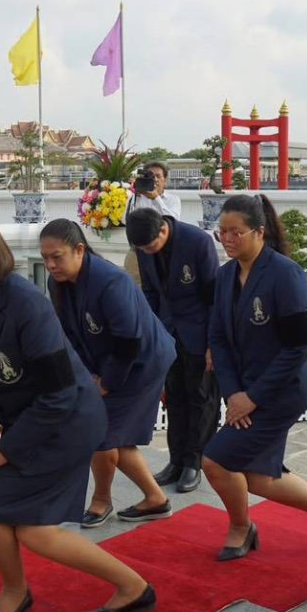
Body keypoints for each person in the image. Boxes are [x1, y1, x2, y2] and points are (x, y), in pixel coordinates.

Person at [0, 201, 156, 612]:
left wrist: (5, 449)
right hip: (30, 423)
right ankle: (17, 589)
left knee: (32, 530)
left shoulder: (25, 303)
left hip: (67, 424)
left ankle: (133, 587)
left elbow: (60, 394)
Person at [204, 194, 307, 560]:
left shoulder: (286, 274)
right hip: (243, 391)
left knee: (217, 461)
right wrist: (233, 392)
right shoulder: (225, 276)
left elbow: (298, 346)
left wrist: (251, 397)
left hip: (281, 391)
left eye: (236, 232)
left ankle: (241, 526)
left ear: (259, 232)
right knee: (260, 477)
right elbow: (218, 339)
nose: (227, 240)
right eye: (222, 232)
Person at [40, 218, 176, 528]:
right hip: (107, 362)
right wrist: (87, 376)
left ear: (79, 250)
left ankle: (101, 501)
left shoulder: (111, 281)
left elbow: (129, 341)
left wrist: (107, 382)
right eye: (45, 258)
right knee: (115, 436)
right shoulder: (57, 283)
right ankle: (155, 499)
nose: (50, 265)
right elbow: (69, 335)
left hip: (143, 362)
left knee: (100, 434)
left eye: (56, 256)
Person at [127, 207, 221, 494]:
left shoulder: (197, 242)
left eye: (151, 246)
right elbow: (151, 293)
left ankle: (195, 462)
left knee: (202, 400)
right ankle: (176, 460)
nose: (148, 252)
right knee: (175, 398)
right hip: (168, 334)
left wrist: (212, 345)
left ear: (163, 230)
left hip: (199, 332)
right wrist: (154, 335)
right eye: (142, 248)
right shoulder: (144, 248)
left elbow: (213, 297)